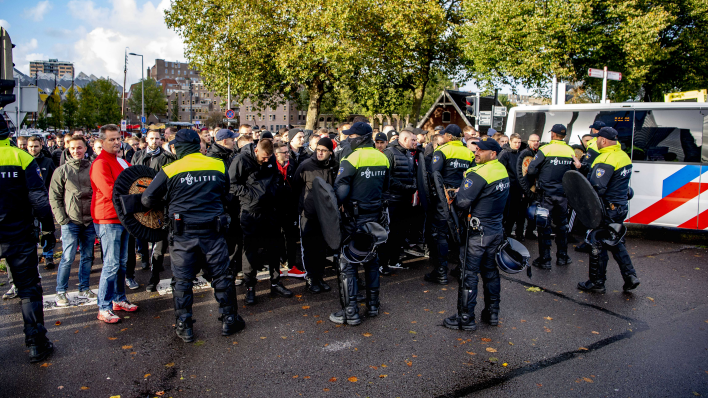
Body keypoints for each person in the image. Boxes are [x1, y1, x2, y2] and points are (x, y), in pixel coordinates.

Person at [141, 129, 245, 342]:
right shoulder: (217, 164)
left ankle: (184, 326)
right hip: (213, 232)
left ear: (177, 148)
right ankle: (229, 319)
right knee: (222, 276)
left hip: (183, 234)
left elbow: (147, 199)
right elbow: (227, 194)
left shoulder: (170, 169)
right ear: (198, 145)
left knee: (182, 280)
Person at [0, 119, 55, 362]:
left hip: (16, 233)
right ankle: (36, 344)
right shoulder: (20, 157)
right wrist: (48, 229)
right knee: (29, 290)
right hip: (18, 234)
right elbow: (39, 199)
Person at [444, 137, 509, 330]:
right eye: (476, 149)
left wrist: (458, 191)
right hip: (495, 230)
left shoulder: (478, 172)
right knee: (490, 273)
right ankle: (492, 313)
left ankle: (465, 318)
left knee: (468, 274)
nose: (476, 152)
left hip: (477, 233)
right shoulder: (501, 170)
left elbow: (462, 203)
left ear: (493, 153)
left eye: (481, 150)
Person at [330, 122, 390, 325]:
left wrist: (336, 207)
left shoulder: (352, 158)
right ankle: (373, 306)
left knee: (348, 263)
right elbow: (386, 187)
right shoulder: (382, 157)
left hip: (354, 219)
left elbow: (341, 189)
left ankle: (351, 312)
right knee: (372, 261)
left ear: (362, 137)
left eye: (352, 135)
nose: (348, 138)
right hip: (375, 218)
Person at [576, 127, 639, 293]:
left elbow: (597, 187)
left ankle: (596, 282)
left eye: (597, 139)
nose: (595, 141)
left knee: (597, 242)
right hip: (619, 207)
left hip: (606, 208)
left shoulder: (606, 158)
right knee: (615, 241)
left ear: (603, 140)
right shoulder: (622, 156)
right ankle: (630, 276)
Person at [230, 139, 293, 305]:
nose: (267, 160)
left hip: (270, 210)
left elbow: (276, 177)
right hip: (251, 212)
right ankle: (250, 287)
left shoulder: (270, 159)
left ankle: (275, 282)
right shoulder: (241, 160)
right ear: (256, 151)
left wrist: (274, 191)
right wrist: (251, 195)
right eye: (264, 157)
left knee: (274, 248)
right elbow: (231, 184)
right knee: (250, 251)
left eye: (269, 157)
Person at [91, 124, 138, 324]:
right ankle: (103, 307)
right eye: (112, 139)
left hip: (122, 217)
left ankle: (119, 299)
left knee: (121, 263)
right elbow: (112, 192)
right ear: (101, 142)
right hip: (108, 219)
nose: (117, 142)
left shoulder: (120, 160)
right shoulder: (101, 163)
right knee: (111, 264)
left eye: (118, 138)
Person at [49, 136, 97, 306]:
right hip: (70, 221)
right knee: (68, 257)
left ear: (86, 149)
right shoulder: (61, 171)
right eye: (73, 148)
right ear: (68, 150)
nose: (76, 151)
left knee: (87, 256)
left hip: (89, 221)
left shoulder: (93, 168)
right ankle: (60, 291)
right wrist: (62, 219)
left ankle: (84, 287)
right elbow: (54, 197)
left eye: (79, 148)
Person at [425, 124, 475, 285]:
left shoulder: (442, 150)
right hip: (463, 197)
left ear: (447, 136)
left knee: (441, 234)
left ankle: (441, 272)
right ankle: (461, 269)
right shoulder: (469, 153)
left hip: (445, 197)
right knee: (462, 233)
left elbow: (435, 174)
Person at [132, 130, 177, 291]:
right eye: (151, 138)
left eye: (157, 138)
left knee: (166, 245)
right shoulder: (138, 155)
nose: (154, 141)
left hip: (164, 205)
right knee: (152, 245)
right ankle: (153, 273)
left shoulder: (168, 157)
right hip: (146, 204)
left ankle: (164, 278)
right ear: (146, 139)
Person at [526, 124, 575, 269]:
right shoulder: (570, 150)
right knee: (562, 226)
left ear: (553, 134)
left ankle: (545, 259)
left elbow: (531, 170)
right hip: (563, 195)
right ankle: (562, 257)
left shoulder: (545, 150)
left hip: (546, 195)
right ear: (564, 136)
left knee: (544, 226)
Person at [293, 137, 338, 293]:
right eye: (318, 149)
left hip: (325, 216)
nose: (320, 153)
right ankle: (311, 278)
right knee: (309, 248)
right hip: (309, 214)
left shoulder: (334, 166)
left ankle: (319, 277)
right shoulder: (306, 166)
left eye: (324, 151)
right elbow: (295, 187)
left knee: (321, 249)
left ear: (330, 152)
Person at [379, 128, 417, 275]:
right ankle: (382, 263)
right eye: (413, 140)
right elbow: (387, 176)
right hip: (392, 200)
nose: (415, 142)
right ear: (405, 140)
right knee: (388, 233)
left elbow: (412, 173)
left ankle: (394, 260)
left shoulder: (408, 154)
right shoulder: (390, 152)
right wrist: (405, 187)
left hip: (404, 200)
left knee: (400, 233)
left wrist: (413, 186)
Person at [207, 129, 243, 282]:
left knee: (234, 241)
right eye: (232, 139)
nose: (234, 142)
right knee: (222, 244)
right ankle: (218, 274)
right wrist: (228, 199)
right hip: (222, 208)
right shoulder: (213, 159)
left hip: (232, 206)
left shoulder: (229, 155)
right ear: (223, 141)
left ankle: (231, 271)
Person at [273, 142, 304, 277]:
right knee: (275, 238)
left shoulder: (291, 165)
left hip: (290, 208)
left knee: (291, 238)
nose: (287, 154)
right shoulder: (271, 167)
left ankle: (292, 266)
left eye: (287, 152)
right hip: (275, 209)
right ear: (276, 154)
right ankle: (276, 267)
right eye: (284, 152)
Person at [27, 136, 57, 269]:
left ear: (41, 146)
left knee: (47, 231)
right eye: (31, 146)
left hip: (45, 203)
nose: (33, 149)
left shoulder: (48, 162)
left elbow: (53, 182)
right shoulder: (24, 161)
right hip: (28, 204)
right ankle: (32, 256)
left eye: (36, 146)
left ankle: (48, 255)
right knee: (31, 231)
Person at [498, 133, 524, 239]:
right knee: (506, 214)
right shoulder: (504, 154)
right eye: (515, 142)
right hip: (508, 188)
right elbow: (499, 170)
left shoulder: (520, 154)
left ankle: (508, 234)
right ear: (510, 142)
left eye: (519, 142)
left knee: (514, 214)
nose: (517, 144)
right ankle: (503, 235)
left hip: (517, 188)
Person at [516, 133, 541, 240]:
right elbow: (520, 174)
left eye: (538, 141)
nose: (536, 143)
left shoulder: (540, 153)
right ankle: (519, 233)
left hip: (535, 188)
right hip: (525, 188)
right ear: (529, 142)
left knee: (533, 213)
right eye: (533, 141)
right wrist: (525, 190)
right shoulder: (524, 154)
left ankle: (529, 232)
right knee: (521, 213)